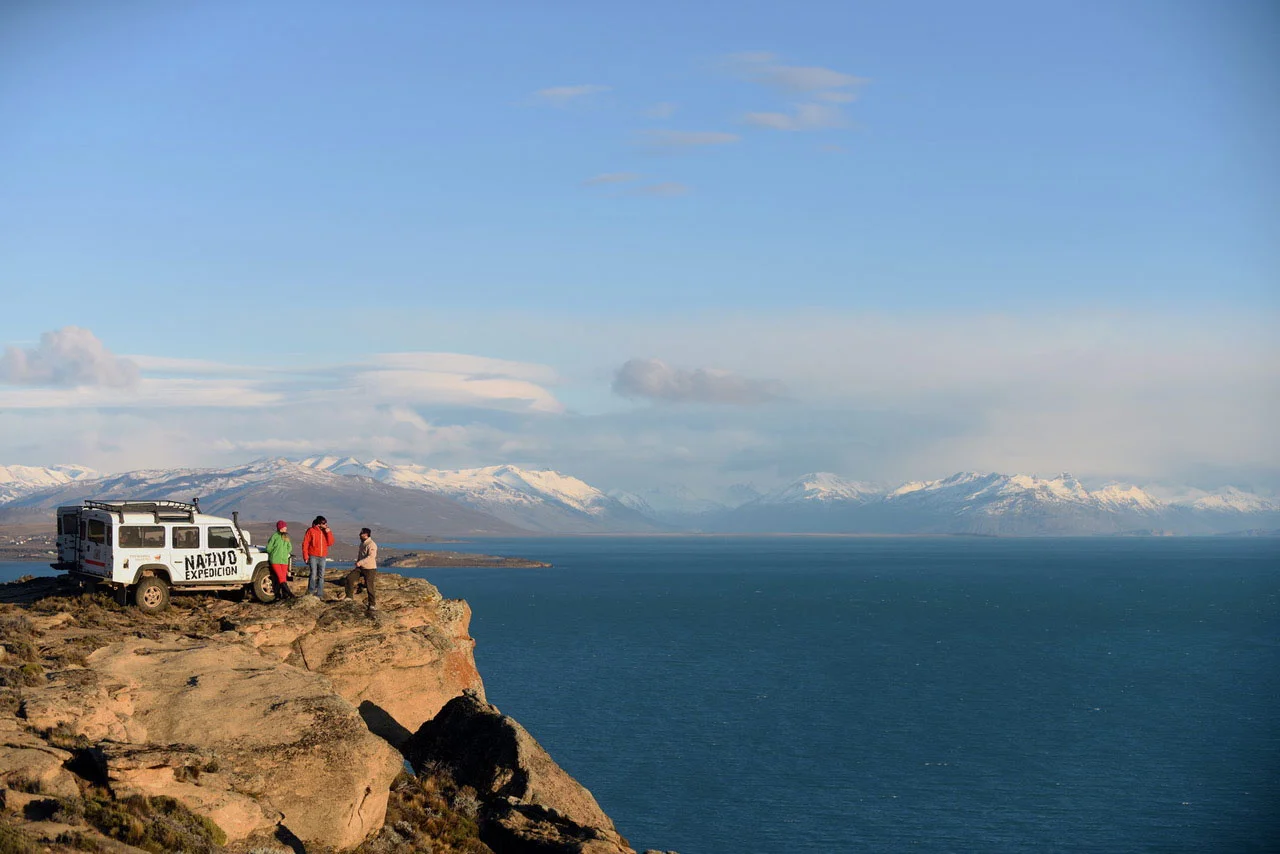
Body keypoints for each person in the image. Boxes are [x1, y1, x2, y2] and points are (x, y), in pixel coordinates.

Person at [346, 527, 378, 612]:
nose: (359, 535)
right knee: (350, 578)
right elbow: (360, 555)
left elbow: (371, 557)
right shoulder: (362, 543)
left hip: (370, 569)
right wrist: (358, 564)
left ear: (366, 535)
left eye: (361, 533)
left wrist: (360, 562)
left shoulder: (371, 544)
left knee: (369, 586)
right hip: (360, 568)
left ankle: (372, 604)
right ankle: (349, 597)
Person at [302, 515, 334, 598]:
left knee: (321, 575)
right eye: (324, 523)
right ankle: (310, 592)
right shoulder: (311, 530)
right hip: (313, 555)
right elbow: (305, 543)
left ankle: (320, 594)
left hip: (322, 556)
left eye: (326, 523)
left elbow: (330, 543)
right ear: (319, 524)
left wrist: (328, 532)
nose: (326, 525)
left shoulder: (325, 532)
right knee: (313, 574)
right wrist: (305, 556)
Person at [265, 520, 296, 600]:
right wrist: (274, 553)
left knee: (282, 578)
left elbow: (290, 547)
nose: (286, 528)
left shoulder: (286, 537)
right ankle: (290, 594)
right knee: (281, 577)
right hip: (275, 560)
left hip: (284, 561)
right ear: (280, 528)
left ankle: (283, 596)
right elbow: (268, 548)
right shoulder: (274, 536)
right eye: (285, 527)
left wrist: (286, 552)